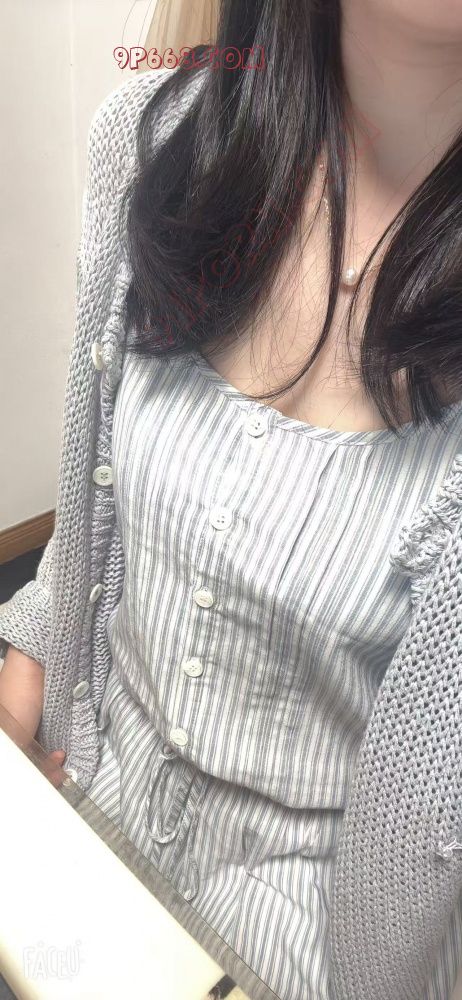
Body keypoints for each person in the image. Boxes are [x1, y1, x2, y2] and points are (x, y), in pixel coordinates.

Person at [1, 1, 462, 998]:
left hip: (331, 939)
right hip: (89, 805)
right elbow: (95, 486)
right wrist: (32, 650)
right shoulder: (154, 140)